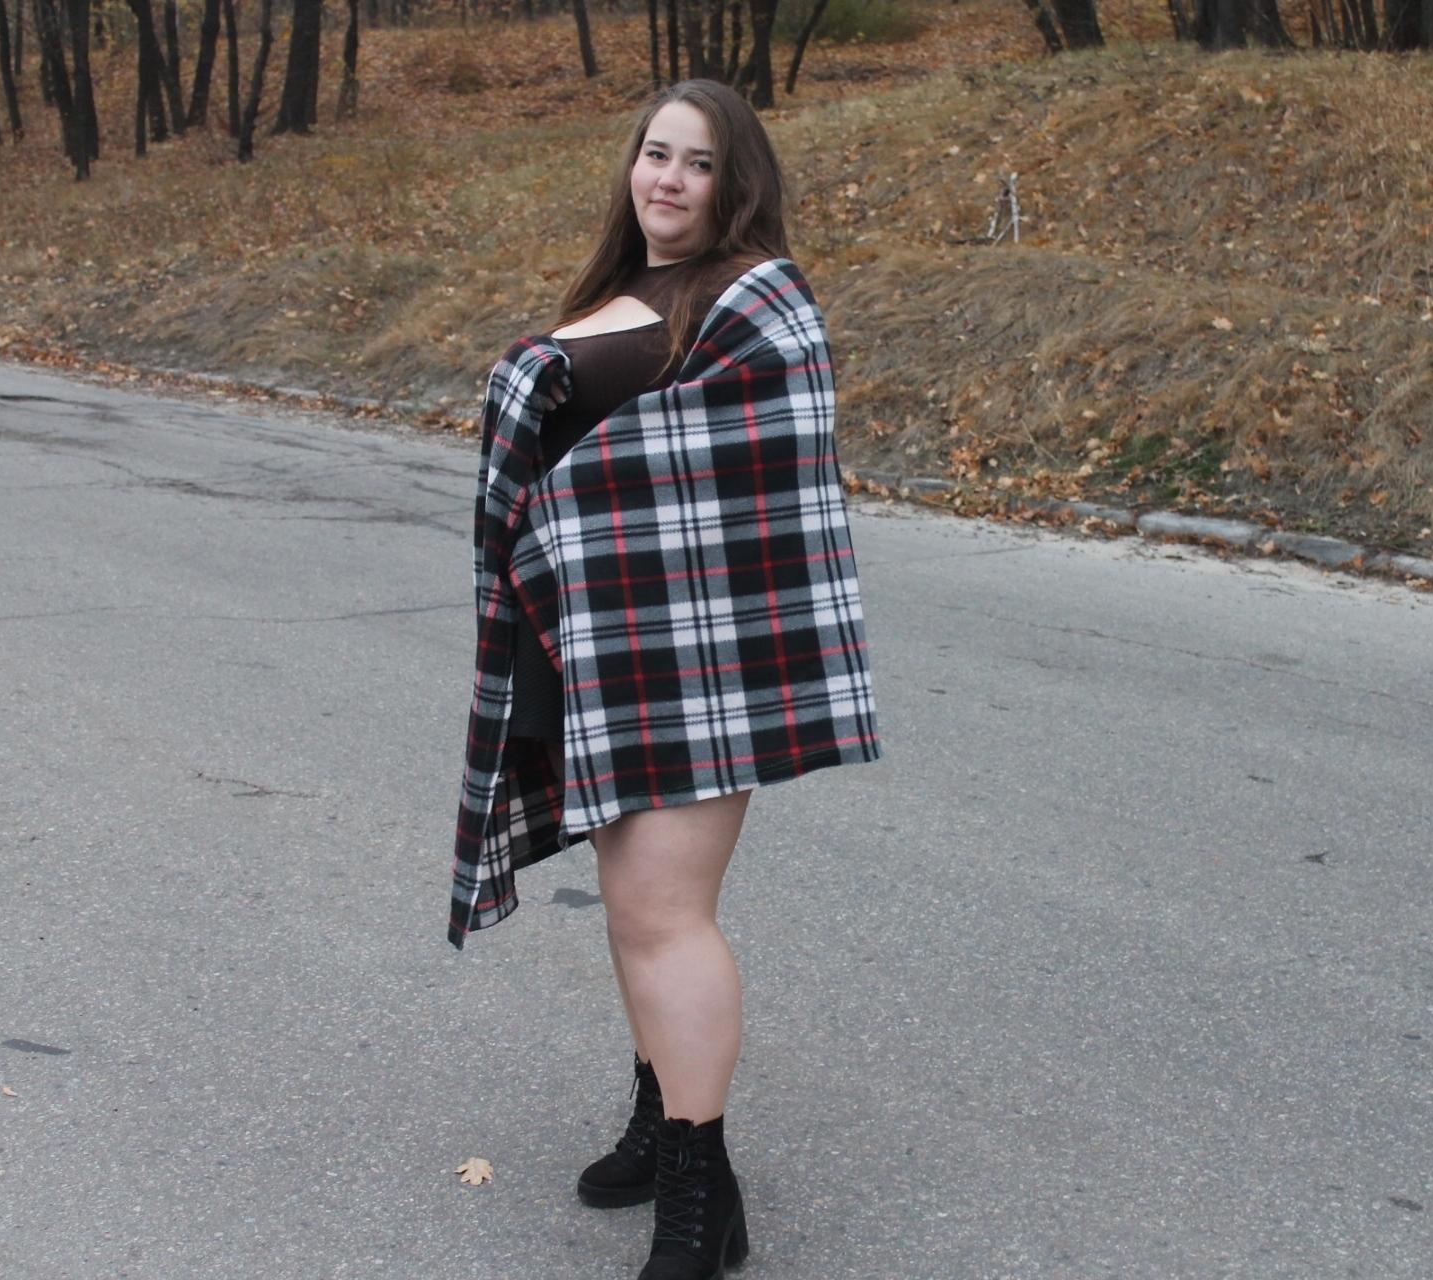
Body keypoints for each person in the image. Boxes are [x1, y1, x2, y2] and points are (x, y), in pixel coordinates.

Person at [449, 79, 883, 1279]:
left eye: (697, 162)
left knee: (663, 910)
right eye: (655, 154)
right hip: (600, 642)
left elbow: (753, 467)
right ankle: (663, 1111)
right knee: (633, 904)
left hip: (701, 655)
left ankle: (702, 1193)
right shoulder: (623, 291)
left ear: (735, 182)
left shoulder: (758, 301)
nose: (669, 180)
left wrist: (558, 510)